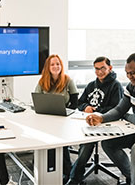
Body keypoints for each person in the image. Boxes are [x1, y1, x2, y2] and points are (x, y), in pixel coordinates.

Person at [86, 53, 135, 185]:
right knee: (108, 144)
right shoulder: (131, 85)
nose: (129, 77)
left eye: (133, 73)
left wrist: (124, 115)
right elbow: (119, 109)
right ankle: (134, 177)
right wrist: (101, 118)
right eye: (127, 73)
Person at [67, 56, 124, 185]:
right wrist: (86, 107)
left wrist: (97, 112)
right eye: (96, 69)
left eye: (103, 68)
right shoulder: (91, 85)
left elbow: (117, 109)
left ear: (110, 68)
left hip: (106, 123)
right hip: (89, 121)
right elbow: (80, 102)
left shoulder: (116, 86)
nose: (99, 72)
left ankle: (74, 179)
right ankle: (71, 173)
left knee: (87, 144)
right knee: (77, 138)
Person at [34, 54, 79, 184]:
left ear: (61, 66)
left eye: (58, 64)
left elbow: (75, 103)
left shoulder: (68, 80)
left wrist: (67, 113)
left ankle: (67, 172)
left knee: (60, 144)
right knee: (47, 142)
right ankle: (48, 169)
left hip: (64, 119)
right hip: (47, 119)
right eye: (52, 64)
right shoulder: (42, 82)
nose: (55, 66)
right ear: (48, 67)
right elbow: (37, 100)